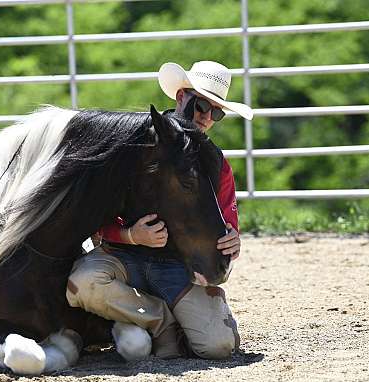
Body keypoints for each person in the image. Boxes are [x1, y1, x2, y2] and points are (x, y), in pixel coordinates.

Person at [66, 61, 253, 360]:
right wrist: (130, 236)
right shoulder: (132, 144)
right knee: (82, 284)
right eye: (201, 106)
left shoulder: (215, 163)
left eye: (216, 113)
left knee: (219, 346)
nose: (207, 118)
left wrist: (232, 241)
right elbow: (93, 220)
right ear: (181, 98)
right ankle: (164, 324)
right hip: (121, 257)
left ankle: (147, 317)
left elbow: (227, 227)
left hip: (177, 269)